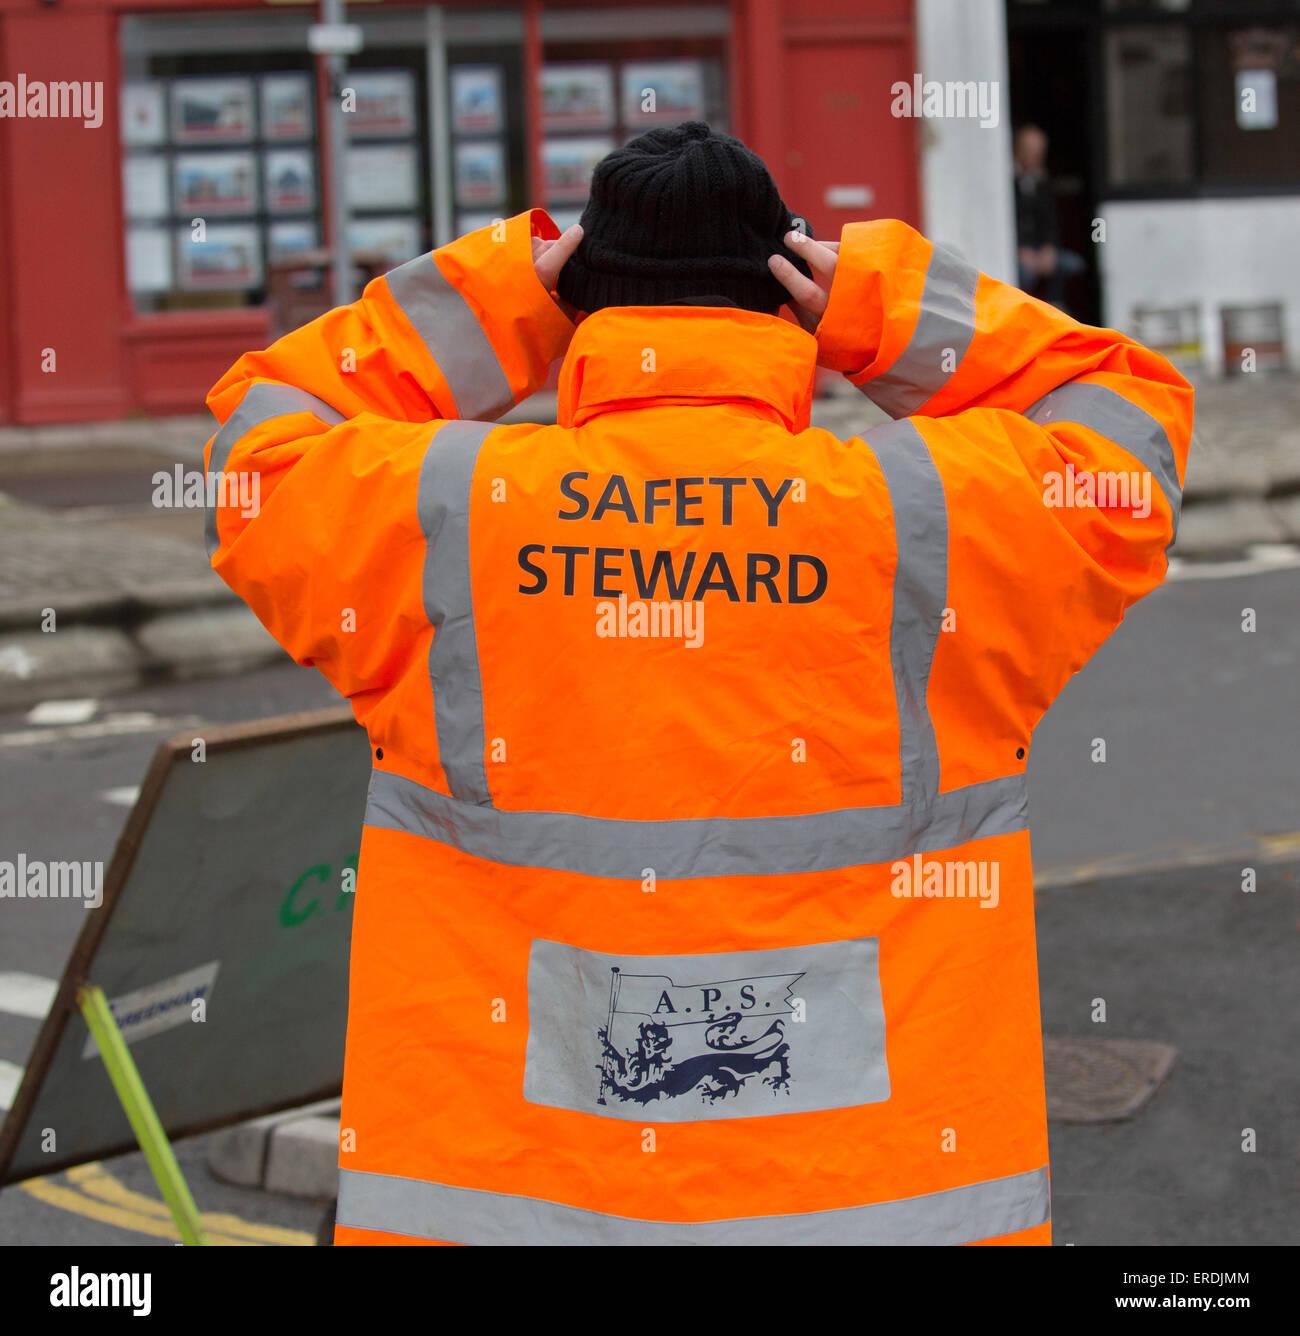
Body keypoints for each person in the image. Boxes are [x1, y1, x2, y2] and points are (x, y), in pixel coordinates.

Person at [204, 121, 1192, 1246]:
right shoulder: (924, 514)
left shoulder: (449, 512)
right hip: (878, 1202)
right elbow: (1126, 433)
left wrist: (499, 303)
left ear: (584, 308)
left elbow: (257, 453)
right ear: (787, 306)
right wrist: (883, 308)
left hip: (516, 1197)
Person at [1014, 123, 1087, 311]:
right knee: (1024, 275)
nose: (1036, 157)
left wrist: (1049, 248)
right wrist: (1019, 250)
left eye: (1040, 152)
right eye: (1031, 151)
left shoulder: (1041, 182)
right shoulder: (1005, 181)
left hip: (1039, 250)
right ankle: (1025, 313)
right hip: (1019, 253)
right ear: (1018, 150)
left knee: (1072, 264)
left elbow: (1050, 221)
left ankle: (1056, 307)